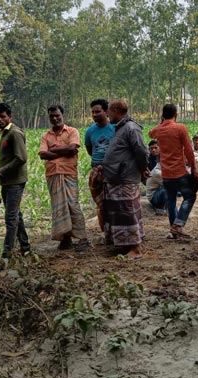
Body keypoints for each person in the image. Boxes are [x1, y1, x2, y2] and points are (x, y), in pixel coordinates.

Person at [101, 99, 149, 259]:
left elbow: (142, 151)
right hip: (116, 178)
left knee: (127, 211)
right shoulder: (120, 128)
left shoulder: (131, 127)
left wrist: (143, 168)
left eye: (109, 111)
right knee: (119, 212)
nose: (107, 114)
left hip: (125, 178)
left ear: (116, 111)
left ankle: (135, 248)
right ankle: (124, 244)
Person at [39, 105, 90, 252]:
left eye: (57, 115)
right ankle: (65, 239)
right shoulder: (46, 135)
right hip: (52, 174)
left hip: (68, 173)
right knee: (58, 207)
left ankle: (82, 238)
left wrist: (52, 150)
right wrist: (64, 151)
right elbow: (42, 154)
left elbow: (73, 148)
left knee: (73, 205)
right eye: (52, 116)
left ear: (62, 115)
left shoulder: (72, 131)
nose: (55, 118)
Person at [0, 103, 31, 267]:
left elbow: (21, 158)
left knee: (10, 218)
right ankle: (25, 248)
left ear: (10, 117)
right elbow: (9, 159)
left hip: (15, 182)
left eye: (3, 116)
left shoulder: (14, 133)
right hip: (7, 181)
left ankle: (6, 255)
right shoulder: (5, 134)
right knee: (16, 215)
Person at [149, 104, 198, 238]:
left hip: (166, 173)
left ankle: (174, 229)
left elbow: (150, 134)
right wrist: (193, 169)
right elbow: (188, 150)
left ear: (163, 115)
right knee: (189, 196)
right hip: (179, 171)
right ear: (176, 114)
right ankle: (178, 224)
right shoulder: (180, 128)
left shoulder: (159, 129)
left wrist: (161, 122)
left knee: (170, 200)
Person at [85, 98, 115, 233]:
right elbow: (90, 150)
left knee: (114, 203)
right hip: (97, 171)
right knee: (101, 204)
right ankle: (106, 232)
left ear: (106, 112)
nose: (95, 114)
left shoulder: (115, 129)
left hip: (112, 171)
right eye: (93, 112)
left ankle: (116, 230)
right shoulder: (90, 131)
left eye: (98, 111)